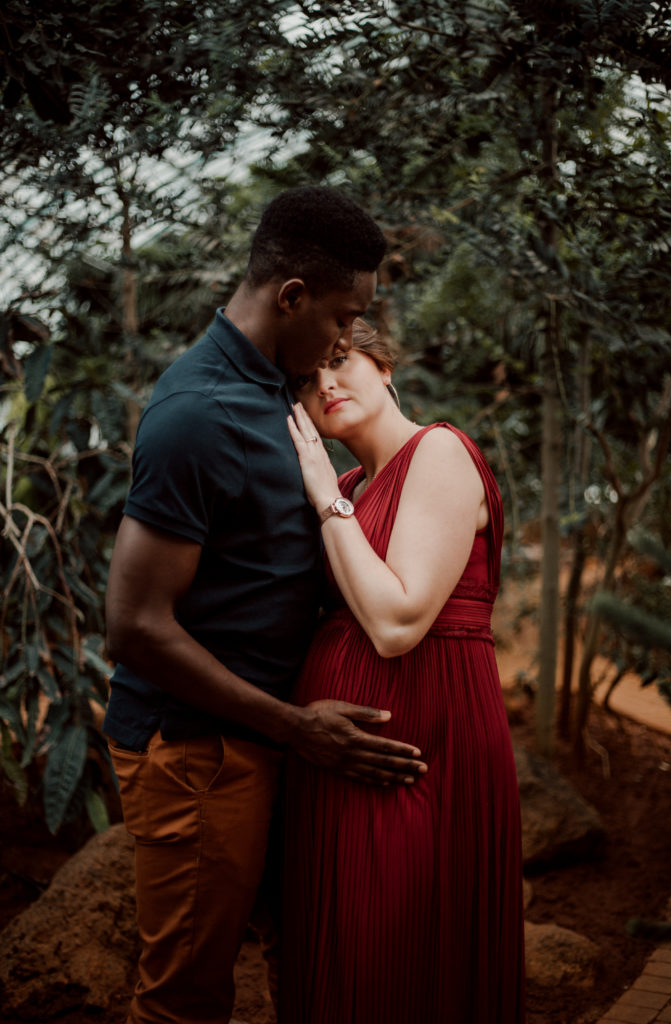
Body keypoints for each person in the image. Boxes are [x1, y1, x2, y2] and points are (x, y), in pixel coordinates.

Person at [103, 187, 428, 1024]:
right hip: (201, 754)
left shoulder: (278, 392)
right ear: (291, 297)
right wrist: (293, 726)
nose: (345, 339)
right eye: (341, 316)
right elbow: (134, 626)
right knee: (185, 998)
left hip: (273, 742)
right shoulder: (197, 414)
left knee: (310, 957)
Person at [280, 319, 526, 1023]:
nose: (324, 383)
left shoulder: (439, 451)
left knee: (403, 962)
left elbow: (395, 624)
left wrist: (326, 497)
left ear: (383, 366)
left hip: (424, 759)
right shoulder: (355, 485)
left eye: (338, 361)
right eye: (303, 377)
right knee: (346, 967)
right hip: (342, 765)